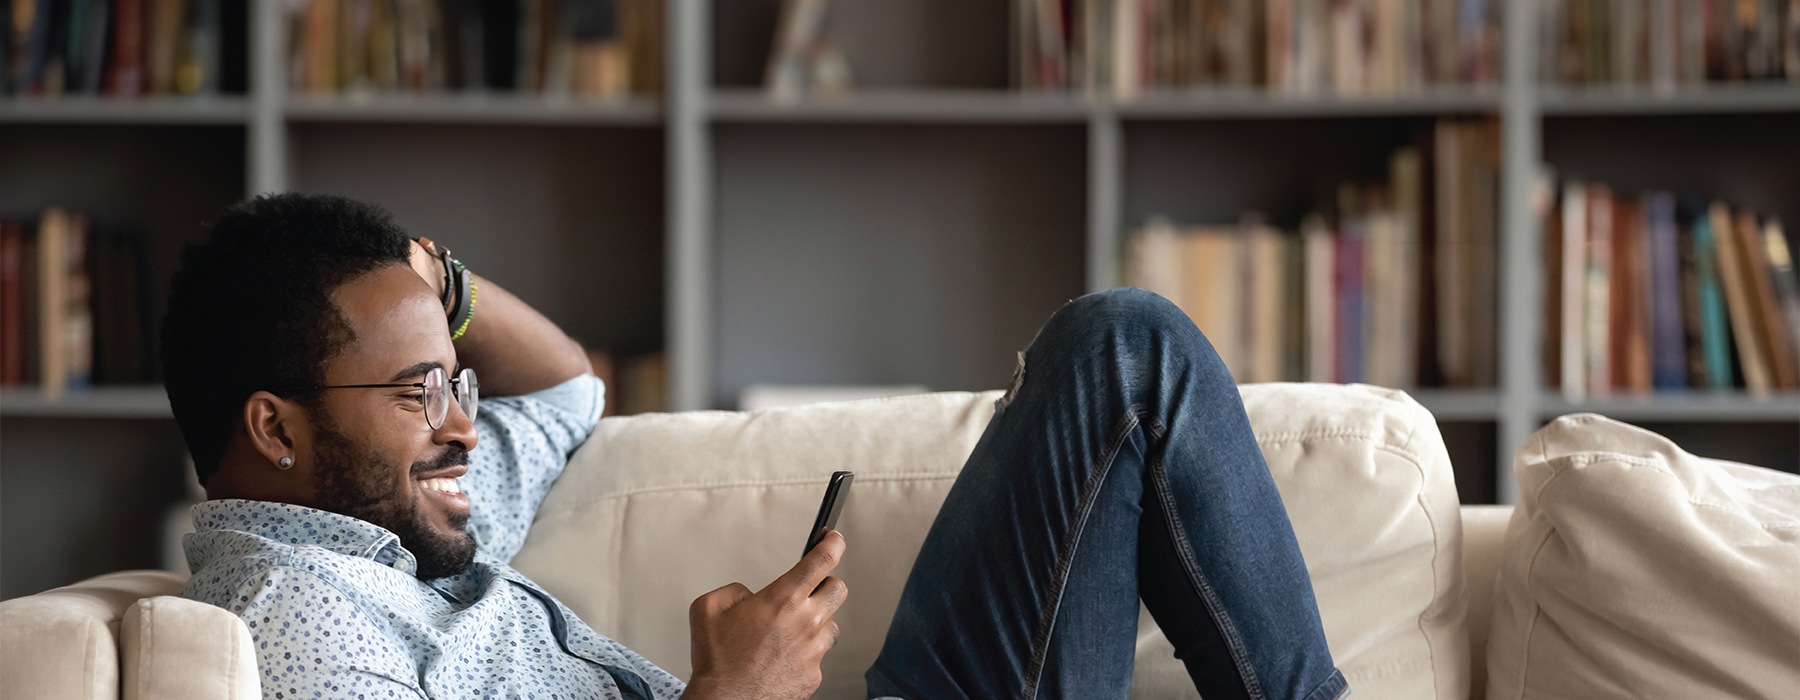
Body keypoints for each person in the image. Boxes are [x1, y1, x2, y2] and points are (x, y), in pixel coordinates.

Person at [166, 193, 1345, 700]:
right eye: (423, 390)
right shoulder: (303, 622)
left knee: (1121, 351)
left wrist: (439, 288)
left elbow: (573, 385)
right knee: (1125, 352)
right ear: (275, 426)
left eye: (458, 381)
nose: (465, 420)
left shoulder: (404, 513)